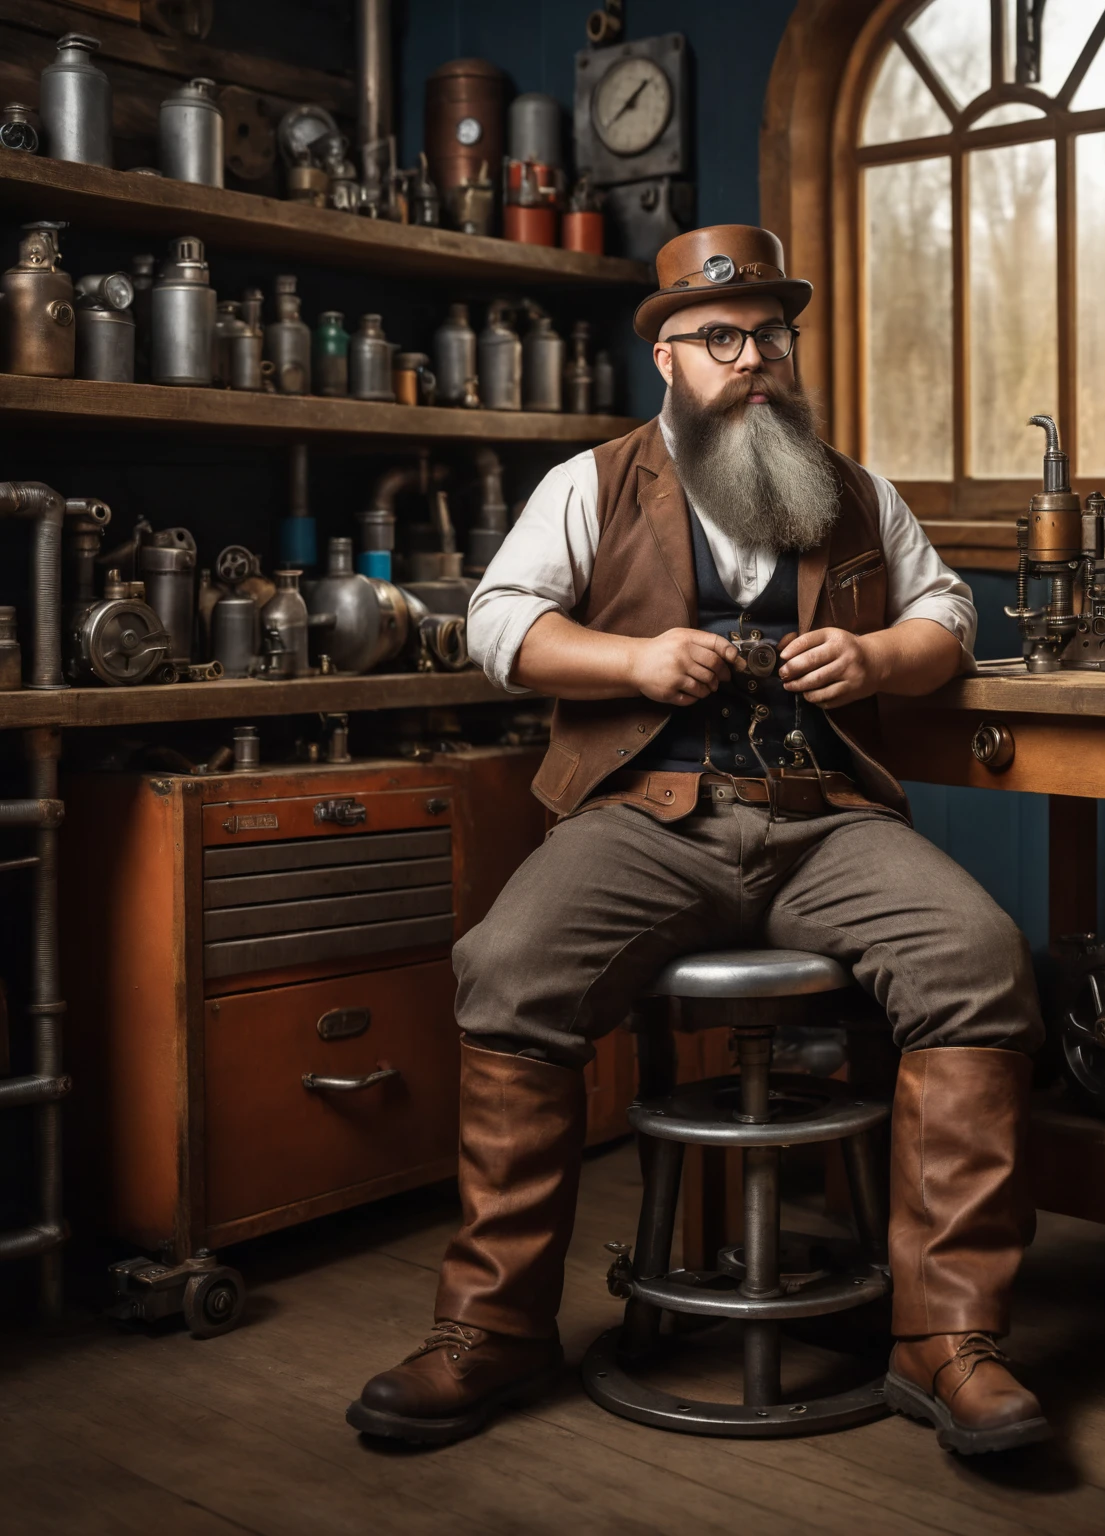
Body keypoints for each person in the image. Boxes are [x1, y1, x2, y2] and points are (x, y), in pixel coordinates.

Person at [348, 225, 1048, 1456]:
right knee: (509, 971)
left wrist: (879, 655)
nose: (754, 358)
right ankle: (493, 1333)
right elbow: (498, 625)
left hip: (819, 818)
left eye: (770, 334)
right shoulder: (593, 480)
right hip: (643, 815)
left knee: (977, 958)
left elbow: (949, 614)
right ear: (668, 356)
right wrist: (633, 658)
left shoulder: (853, 491)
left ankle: (946, 1343)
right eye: (722, 337)